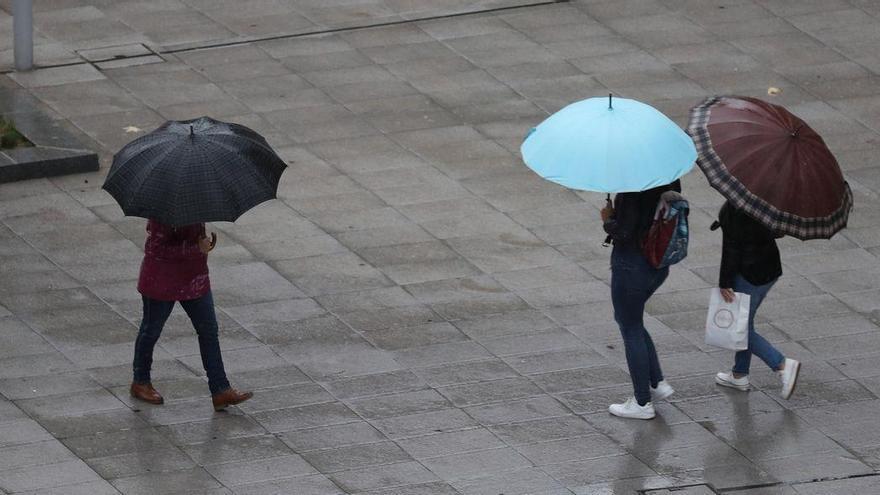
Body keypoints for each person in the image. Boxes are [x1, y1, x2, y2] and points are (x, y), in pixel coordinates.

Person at [130, 219, 253, 411]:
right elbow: (158, 247)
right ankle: (140, 381)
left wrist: (202, 241)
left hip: (194, 276)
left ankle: (220, 389)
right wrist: (197, 245)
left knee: (209, 330)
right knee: (151, 329)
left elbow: (194, 235)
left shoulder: (195, 201)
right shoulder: (164, 209)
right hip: (162, 276)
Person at [602, 180, 680, 420]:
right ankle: (656, 381)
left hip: (632, 265)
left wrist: (608, 218)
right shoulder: (670, 177)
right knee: (631, 319)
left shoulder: (634, 188)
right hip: (657, 262)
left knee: (630, 326)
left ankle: (641, 402)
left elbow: (624, 231)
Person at [712, 202, 800, 399]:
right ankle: (739, 373)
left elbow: (731, 250)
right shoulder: (768, 200)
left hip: (748, 276)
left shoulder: (733, 210)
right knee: (745, 322)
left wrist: (724, 283)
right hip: (769, 270)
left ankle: (782, 365)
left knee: (740, 329)